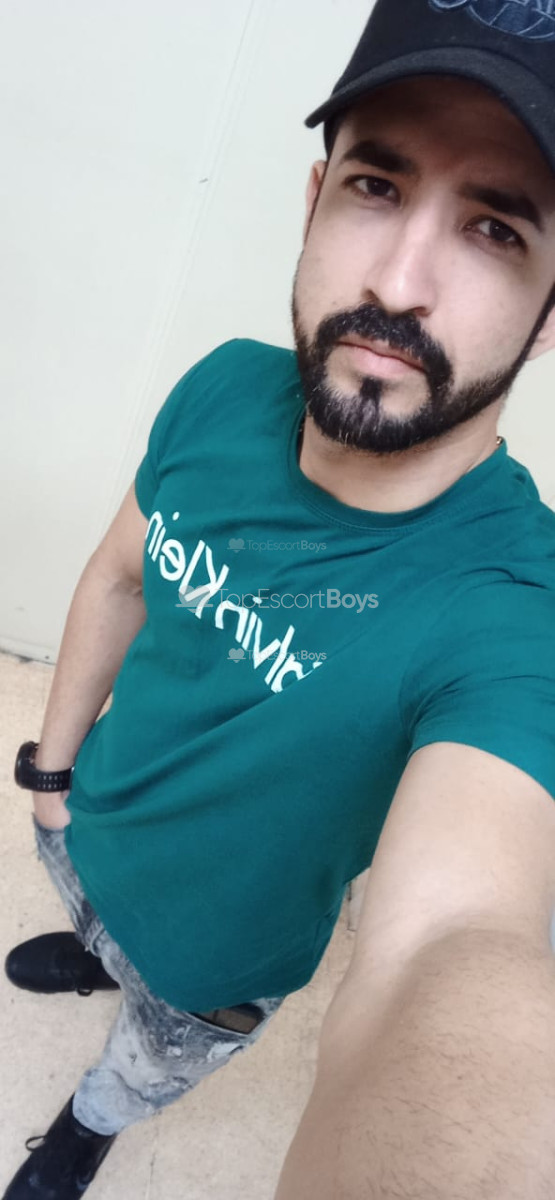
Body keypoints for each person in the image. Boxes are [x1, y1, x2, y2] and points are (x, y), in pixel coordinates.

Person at [6, 0, 555, 1195]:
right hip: (90, 830)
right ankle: (96, 954)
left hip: (215, 964)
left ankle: (91, 1122)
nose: (399, 281)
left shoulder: (518, 611)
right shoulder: (222, 388)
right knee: (100, 936)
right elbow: (118, 575)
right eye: (377, 186)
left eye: (496, 228)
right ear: (314, 204)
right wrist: (50, 778)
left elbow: (457, 940)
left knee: (145, 1060)